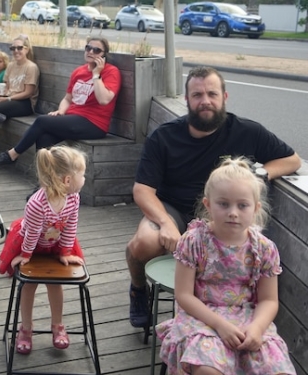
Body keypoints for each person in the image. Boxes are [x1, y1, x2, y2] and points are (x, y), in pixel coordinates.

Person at [126, 66, 301, 328]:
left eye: (211, 93)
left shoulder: (247, 131)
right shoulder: (163, 136)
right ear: (187, 99)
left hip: (221, 216)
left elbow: (292, 160)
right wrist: (165, 223)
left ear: (224, 97)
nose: (205, 101)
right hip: (172, 208)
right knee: (144, 242)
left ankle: (234, 314)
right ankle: (138, 290)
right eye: (197, 95)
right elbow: (142, 189)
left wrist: (260, 174)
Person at [156, 158, 296, 375]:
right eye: (223, 204)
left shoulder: (264, 248)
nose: (233, 212)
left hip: (249, 318)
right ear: (208, 205)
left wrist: (257, 328)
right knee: (207, 370)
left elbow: (268, 300)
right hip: (202, 317)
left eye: (242, 205)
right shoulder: (195, 242)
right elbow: (184, 296)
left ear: (255, 208)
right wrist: (220, 325)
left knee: (276, 369)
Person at [0, 145, 87, 354]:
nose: (84, 179)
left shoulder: (73, 198)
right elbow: (32, 233)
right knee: (29, 285)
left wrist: (65, 252)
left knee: (55, 284)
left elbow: (71, 225)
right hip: (32, 246)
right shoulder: (38, 204)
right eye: (82, 175)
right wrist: (26, 255)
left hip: (55, 245)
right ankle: (26, 328)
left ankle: (58, 326)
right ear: (67, 180)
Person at [0, 37, 120, 166]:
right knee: (44, 138)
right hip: (73, 119)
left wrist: (96, 75)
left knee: (41, 121)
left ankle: (12, 155)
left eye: (96, 50)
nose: (91, 52)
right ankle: (45, 184)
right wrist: (61, 111)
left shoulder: (111, 72)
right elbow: (68, 98)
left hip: (94, 123)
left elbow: (104, 100)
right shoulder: (79, 71)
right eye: (88, 48)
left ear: (104, 55)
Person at [0, 35, 39, 150]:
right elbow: (7, 87)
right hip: (9, 99)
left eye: (19, 48)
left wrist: (7, 99)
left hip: (25, 102)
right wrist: (0, 94)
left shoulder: (31, 67)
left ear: (26, 49)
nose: (16, 51)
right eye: (13, 48)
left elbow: (29, 92)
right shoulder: (11, 66)